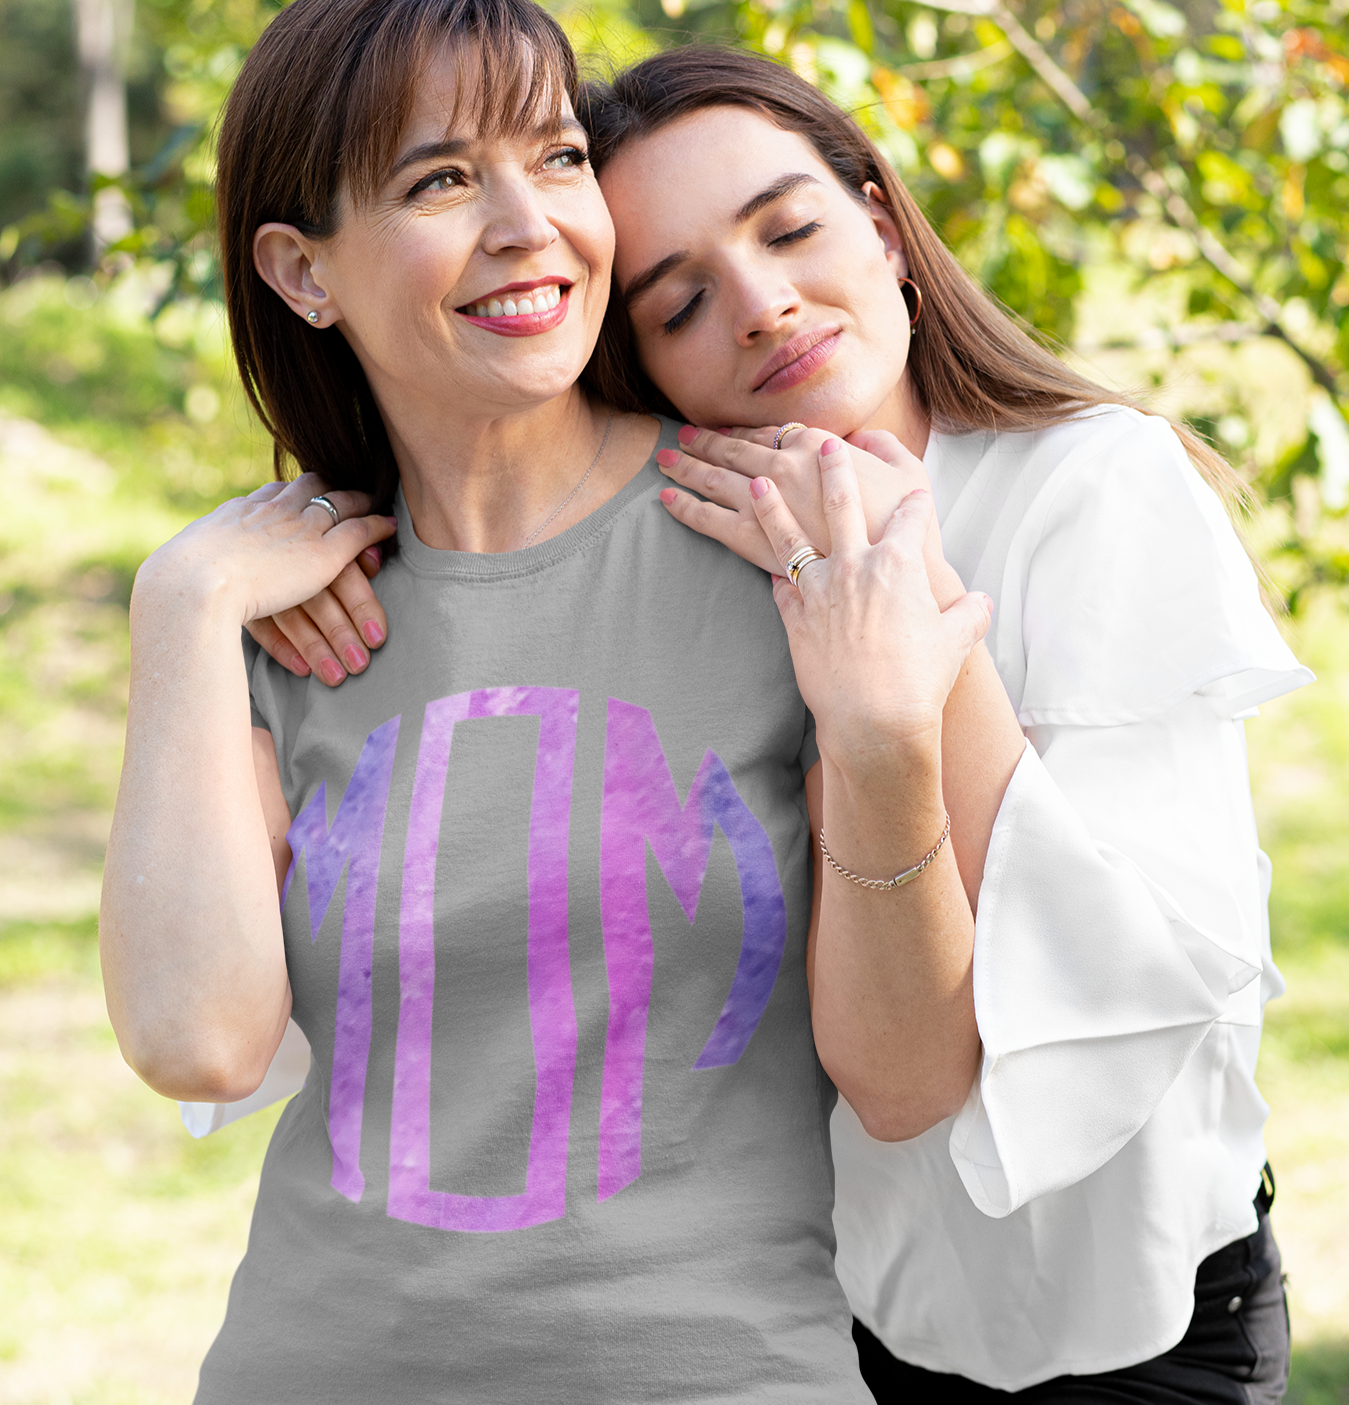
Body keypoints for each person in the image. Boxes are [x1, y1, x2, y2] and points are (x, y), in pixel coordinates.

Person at [247, 39, 1307, 1404]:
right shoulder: (709, 548)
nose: (758, 308)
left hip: (1137, 1326)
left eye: (791, 230)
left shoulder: (1091, 492)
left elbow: (1118, 983)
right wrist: (290, 574)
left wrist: (902, 612)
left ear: (880, 222)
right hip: (834, 1318)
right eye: (675, 304)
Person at [98, 1, 1002, 1398]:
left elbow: (909, 1079)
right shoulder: (281, 603)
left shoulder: (795, 531)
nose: (529, 222)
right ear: (301, 270)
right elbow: (196, 1041)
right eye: (442, 179)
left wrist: (881, 735)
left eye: (559, 157)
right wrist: (181, 611)